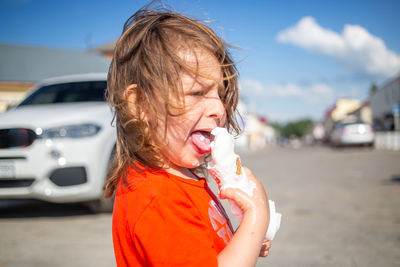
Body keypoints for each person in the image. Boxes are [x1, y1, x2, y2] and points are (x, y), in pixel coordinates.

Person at [104, 3, 271, 266]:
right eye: (197, 93)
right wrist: (256, 217)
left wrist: (243, 242)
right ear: (140, 104)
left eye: (220, 94)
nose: (219, 108)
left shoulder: (180, 178)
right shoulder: (159, 198)